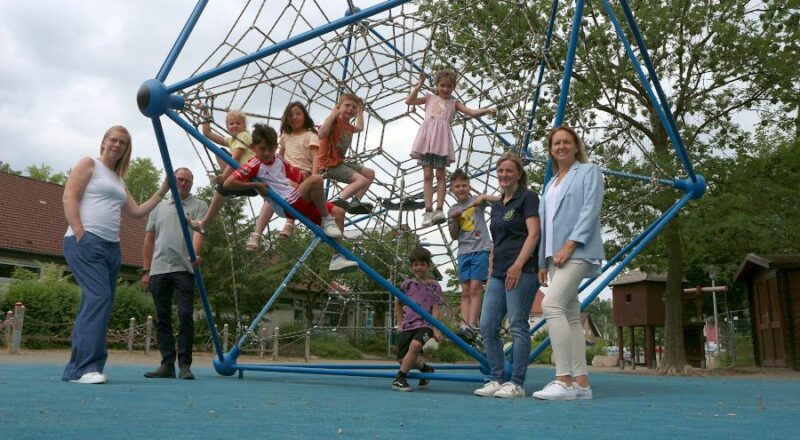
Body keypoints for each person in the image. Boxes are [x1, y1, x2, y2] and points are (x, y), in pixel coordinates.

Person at [61, 125, 168, 384]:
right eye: (114, 140)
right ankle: (84, 369)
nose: (117, 145)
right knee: (99, 297)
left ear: (126, 149)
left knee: (100, 303)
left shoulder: (118, 179)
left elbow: (136, 211)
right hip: (87, 242)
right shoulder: (89, 164)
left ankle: (80, 368)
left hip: (111, 246)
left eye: (123, 142)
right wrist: (79, 231)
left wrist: (163, 190)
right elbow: (69, 197)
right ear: (104, 142)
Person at [225, 123, 358, 273]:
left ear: (276, 147)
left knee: (339, 212)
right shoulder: (254, 164)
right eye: (262, 149)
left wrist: (305, 177)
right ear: (253, 147)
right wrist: (255, 185)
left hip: (296, 199)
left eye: (270, 148)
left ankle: (336, 258)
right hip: (285, 203)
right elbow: (229, 183)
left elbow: (298, 175)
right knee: (316, 180)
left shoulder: (279, 160)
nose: (267, 153)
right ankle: (326, 220)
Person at [532, 126, 604, 401]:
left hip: (578, 251)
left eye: (566, 142)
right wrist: (542, 260)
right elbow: (546, 226)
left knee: (551, 305)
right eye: (555, 143)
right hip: (554, 256)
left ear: (576, 146)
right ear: (550, 150)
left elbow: (590, 209)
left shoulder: (589, 171)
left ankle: (563, 379)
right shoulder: (550, 184)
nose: (560, 146)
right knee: (572, 316)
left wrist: (571, 244)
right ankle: (582, 384)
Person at [473, 153, 540, 399]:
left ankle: (517, 382)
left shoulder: (529, 198)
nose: (503, 175)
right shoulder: (498, 204)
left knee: (517, 325)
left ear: (519, 174)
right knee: (487, 325)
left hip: (522, 270)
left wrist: (519, 264)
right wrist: (491, 273)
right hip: (499, 271)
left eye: (509, 170)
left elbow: (533, 234)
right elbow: (496, 241)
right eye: (500, 170)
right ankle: (496, 377)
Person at [405, 71, 496, 228]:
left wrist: (488, 110)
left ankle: (439, 209)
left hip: (440, 141)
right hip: (427, 139)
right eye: (442, 85)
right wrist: (418, 86)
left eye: (449, 86)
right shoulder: (430, 97)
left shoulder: (454, 104)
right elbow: (409, 101)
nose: (445, 89)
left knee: (440, 175)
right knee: (427, 174)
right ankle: (428, 211)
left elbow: (472, 112)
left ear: (453, 87)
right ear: (437, 85)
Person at [141, 167, 207, 380]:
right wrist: (146, 270)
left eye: (187, 180)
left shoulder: (199, 206)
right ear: (171, 181)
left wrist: (195, 255)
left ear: (192, 184)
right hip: (159, 269)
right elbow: (149, 239)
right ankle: (167, 364)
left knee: (186, 315)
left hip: (184, 269)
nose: (182, 183)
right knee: (162, 318)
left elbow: (198, 233)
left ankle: (185, 365)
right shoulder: (158, 207)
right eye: (179, 179)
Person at [247, 102, 320, 250]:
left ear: (304, 115)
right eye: (291, 115)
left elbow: (315, 157)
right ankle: (257, 234)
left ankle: (289, 224)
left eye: (298, 114)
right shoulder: (286, 136)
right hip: (284, 172)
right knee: (271, 195)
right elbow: (278, 156)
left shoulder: (311, 135)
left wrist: (314, 176)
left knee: (287, 188)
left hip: (302, 173)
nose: (294, 117)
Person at [447, 168, 497, 343]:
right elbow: (453, 235)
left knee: (476, 288)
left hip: (481, 249)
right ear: (452, 189)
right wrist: (453, 220)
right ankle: (464, 324)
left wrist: (483, 197)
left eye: (464, 185)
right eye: (457, 186)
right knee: (465, 290)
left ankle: (472, 324)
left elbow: (499, 200)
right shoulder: (452, 209)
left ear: (469, 186)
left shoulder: (477, 201)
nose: (461, 189)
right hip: (464, 252)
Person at [190, 108, 255, 233]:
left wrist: (225, 176)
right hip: (242, 176)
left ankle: (203, 223)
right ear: (227, 126)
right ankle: (203, 223)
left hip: (251, 177)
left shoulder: (244, 136)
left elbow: (236, 158)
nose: (234, 126)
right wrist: (205, 113)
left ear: (244, 125)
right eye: (231, 123)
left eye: (238, 123)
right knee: (220, 154)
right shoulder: (231, 140)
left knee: (221, 186)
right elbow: (207, 133)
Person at [391, 246, 443, 392]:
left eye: (422, 264)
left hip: (425, 324)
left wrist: (435, 329)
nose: (419, 268)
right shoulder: (406, 285)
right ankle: (426, 370)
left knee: (415, 346)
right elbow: (398, 303)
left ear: (428, 266)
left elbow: (436, 309)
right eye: (415, 264)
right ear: (411, 266)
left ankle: (400, 378)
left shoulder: (434, 286)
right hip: (408, 325)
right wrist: (400, 322)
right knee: (403, 359)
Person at [316, 93, 375, 215]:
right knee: (361, 180)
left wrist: (360, 111)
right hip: (327, 165)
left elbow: (360, 127)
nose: (350, 109)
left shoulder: (348, 126)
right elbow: (321, 134)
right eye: (347, 105)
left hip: (338, 163)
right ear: (339, 107)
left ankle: (355, 201)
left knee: (369, 174)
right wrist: (333, 114)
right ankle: (337, 201)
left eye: (354, 107)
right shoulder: (334, 121)